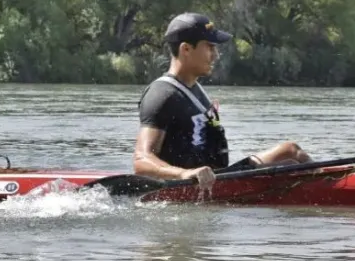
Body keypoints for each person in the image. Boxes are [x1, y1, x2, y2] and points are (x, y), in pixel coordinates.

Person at [132, 12, 311, 193]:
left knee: (291, 151)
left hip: (218, 179)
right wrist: (184, 174)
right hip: (188, 187)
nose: (216, 55)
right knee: (290, 155)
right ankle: (326, 190)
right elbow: (141, 161)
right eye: (209, 47)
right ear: (186, 49)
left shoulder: (195, 88)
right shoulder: (162, 95)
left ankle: (329, 184)